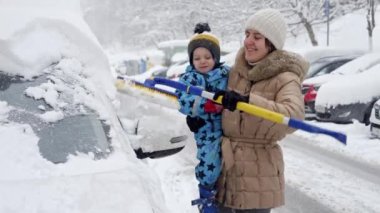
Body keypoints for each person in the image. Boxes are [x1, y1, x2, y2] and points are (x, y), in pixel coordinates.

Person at [213, 8, 309, 213]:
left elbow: (294, 115)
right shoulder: (236, 72)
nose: (248, 41)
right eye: (247, 34)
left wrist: (248, 101)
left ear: (271, 44)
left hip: (258, 178)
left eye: (257, 37)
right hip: (226, 172)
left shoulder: (285, 77)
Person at [175, 22, 230, 213]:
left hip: (228, 128)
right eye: (197, 58)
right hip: (206, 129)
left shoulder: (226, 74)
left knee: (230, 166)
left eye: (207, 56)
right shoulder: (189, 79)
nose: (202, 61)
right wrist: (205, 105)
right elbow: (183, 101)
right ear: (191, 60)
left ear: (216, 57)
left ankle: (224, 198)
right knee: (210, 162)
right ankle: (206, 196)